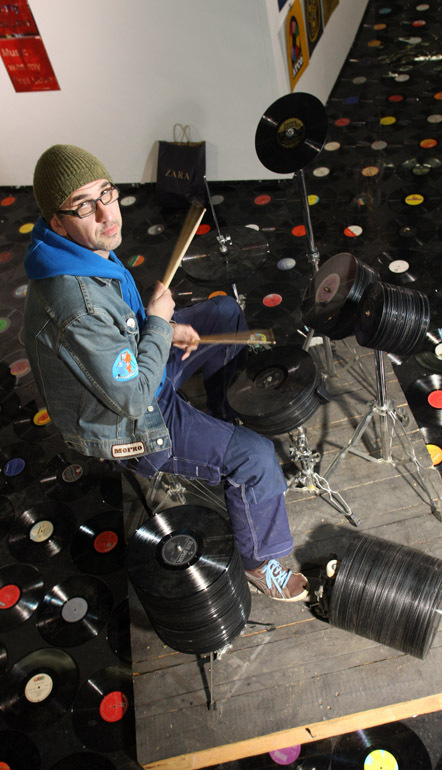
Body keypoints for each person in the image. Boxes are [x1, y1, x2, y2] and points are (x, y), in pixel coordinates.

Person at [23, 144, 308, 601]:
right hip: (131, 421)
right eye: (85, 206)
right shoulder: (76, 305)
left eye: (106, 193)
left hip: (136, 372)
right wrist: (159, 324)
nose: (106, 213)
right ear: (57, 221)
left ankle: (226, 423)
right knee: (257, 459)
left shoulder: (75, 248)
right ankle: (260, 561)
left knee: (223, 313)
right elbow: (133, 398)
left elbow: (122, 335)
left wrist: (164, 328)